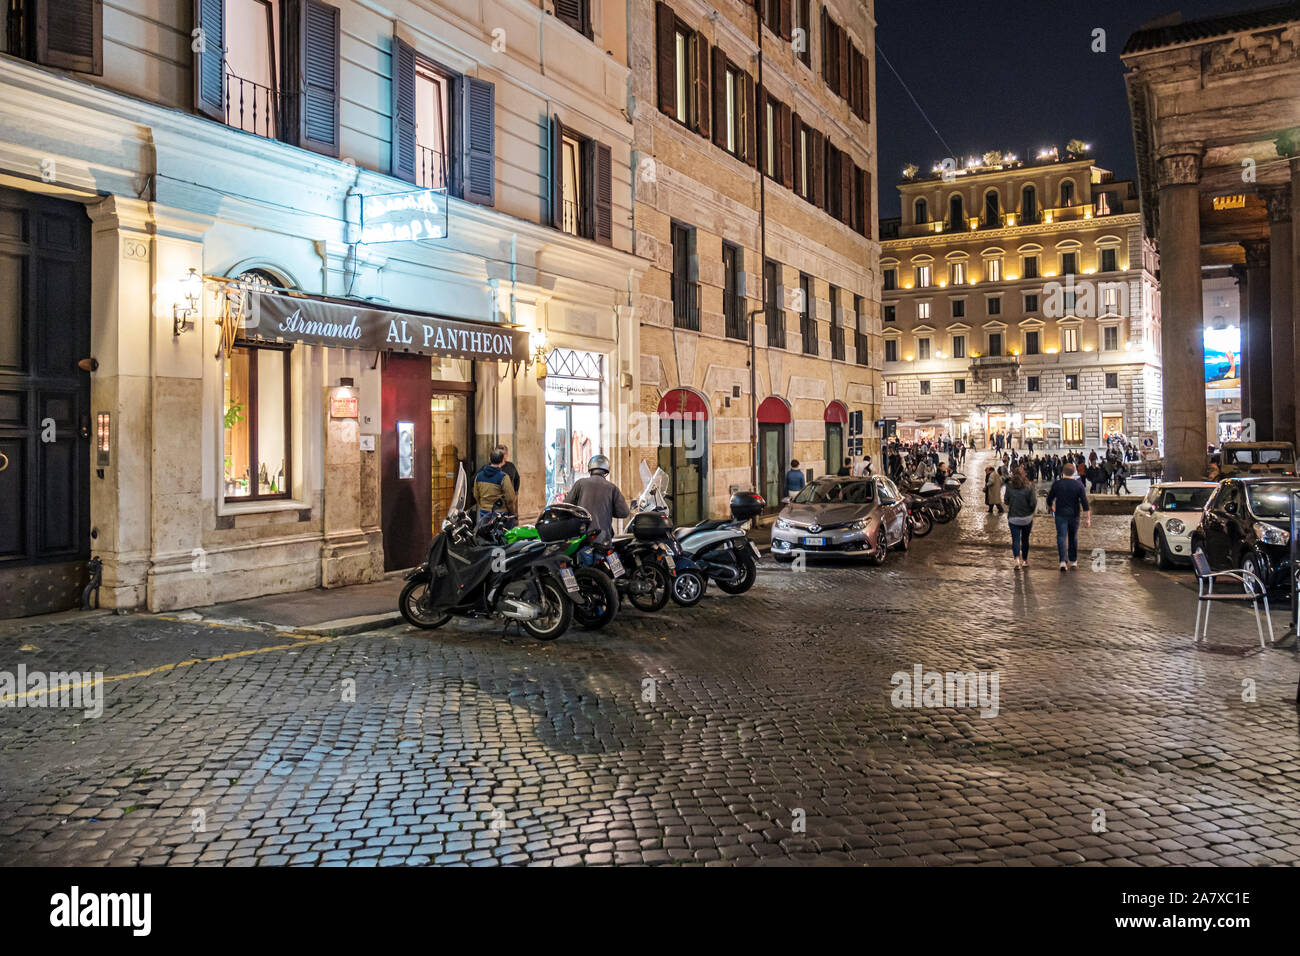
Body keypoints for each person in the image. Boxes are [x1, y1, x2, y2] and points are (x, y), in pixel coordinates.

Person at [564, 455, 629, 543]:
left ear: (590, 469)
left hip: (584, 538)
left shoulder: (580, 484)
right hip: (604, 538)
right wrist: (608, 509)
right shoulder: (612, 488)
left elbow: (566, 507)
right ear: (606, 471)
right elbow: (624, 513)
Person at [1046, 463, 1091, 571]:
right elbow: (1085, 504)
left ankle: (1062, 561)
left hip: (1060, 514)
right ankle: (1073, 561)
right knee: (1073, 537)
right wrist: (1087, 519)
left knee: (1061, 537)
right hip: (1074, 515)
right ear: (1074, 472)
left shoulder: (1057, 484)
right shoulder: (1079, 485)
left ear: (1063, 472)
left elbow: (1049, 499)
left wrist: (1053, 508)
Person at [1004, 466, 1037, 569]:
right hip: (1026, 518)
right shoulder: (1029, 487)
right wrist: (1030, 512)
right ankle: (1025, 560)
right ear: (1023, 475)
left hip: (1013, 517)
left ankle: (1017, 560)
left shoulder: (1009, 486)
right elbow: (1033, 503)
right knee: (1025, 539)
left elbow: (1006, 501)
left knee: (1015, 539)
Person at [474, 449, 517, 525]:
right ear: (501, 461)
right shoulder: (504, 477)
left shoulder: (479, 475)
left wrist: (483, 505)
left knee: (485, 534)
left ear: (490, 459)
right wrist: (511, 511)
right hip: (500, 513)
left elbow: (476, 494)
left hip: (484, 512)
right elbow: (510, 498)